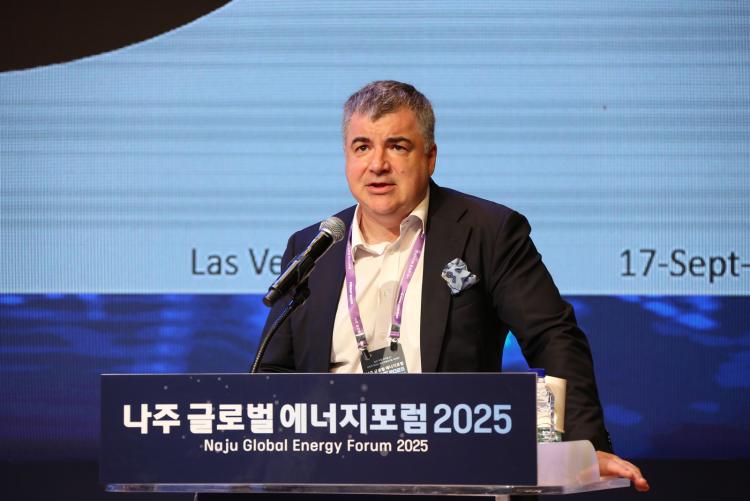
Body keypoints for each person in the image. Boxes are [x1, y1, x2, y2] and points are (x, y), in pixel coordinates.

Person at [260, 80, 649, 492]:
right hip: (333, 476)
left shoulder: (488, 232)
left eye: (397, 146)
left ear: (430, 157)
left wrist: (584, 444)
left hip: (455, 476)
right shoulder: (313, 247)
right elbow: (274, 370)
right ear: (346, 157)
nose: (377, 164)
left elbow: (553, 335)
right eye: (362, 147)